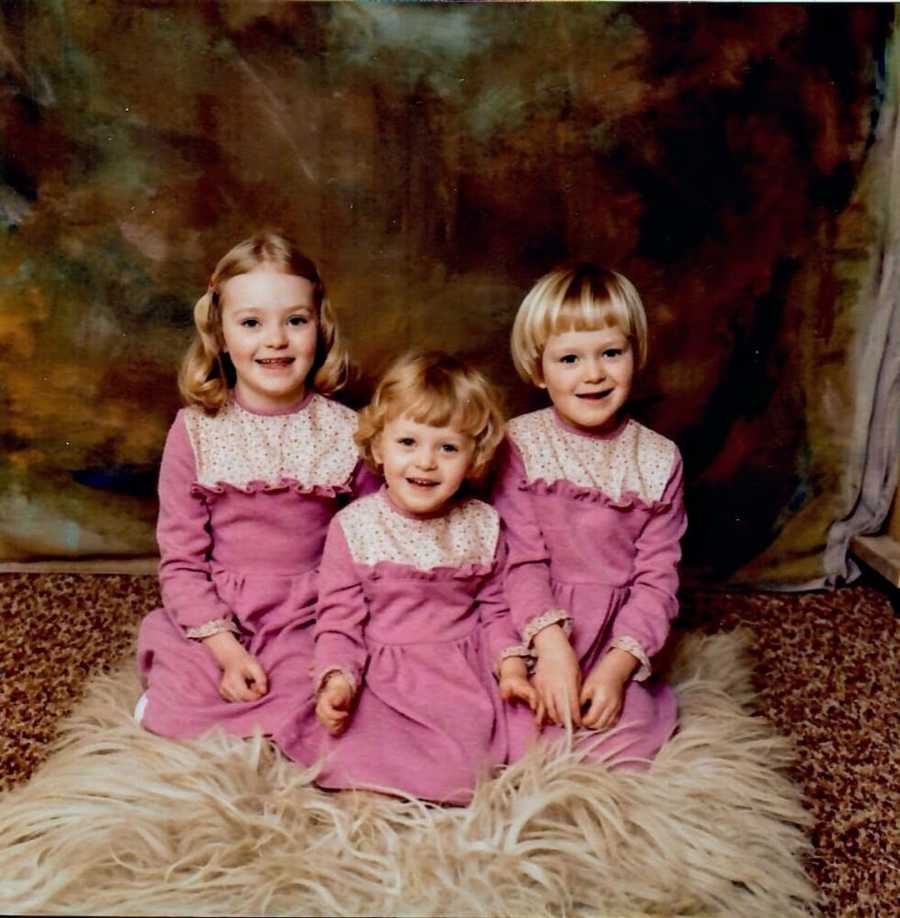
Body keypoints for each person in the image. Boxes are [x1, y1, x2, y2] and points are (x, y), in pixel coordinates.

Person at [136, 231, 376, 760]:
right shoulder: (196, 431)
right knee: (184, 689)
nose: (276, 341)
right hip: (224, 610)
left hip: (308, 610)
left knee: (314, 698)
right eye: (251, 323)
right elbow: (180, 561)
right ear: (220, 334)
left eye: (296, 320)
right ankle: (189, 700)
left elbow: (373, 535)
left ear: (320, 326)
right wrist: (223, 648)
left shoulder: (345, 431)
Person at [297, 351, 538, 804]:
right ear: (378, 445)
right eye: (408, 442)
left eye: (447, 447)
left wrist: (509, 667)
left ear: (474, 457)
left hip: (460, 673)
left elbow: (496, 609)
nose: (426, 462)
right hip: (385, 674)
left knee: (502, 752)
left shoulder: (483, 524)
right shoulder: (355, 527)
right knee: (363, 755)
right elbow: (338, 618)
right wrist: (340, 678)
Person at [492, 263, 686, 766]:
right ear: (539, 370)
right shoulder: (521, 443)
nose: (593, 373)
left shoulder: (659, 459)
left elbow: (656, 581)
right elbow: (520, 561)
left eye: (610, 353)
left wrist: (618, 667)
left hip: (612, 632)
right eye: (570, 358)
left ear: (635, 355)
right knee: (507, 723)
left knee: (626, 737)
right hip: (532, 619)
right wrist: (550, 647)